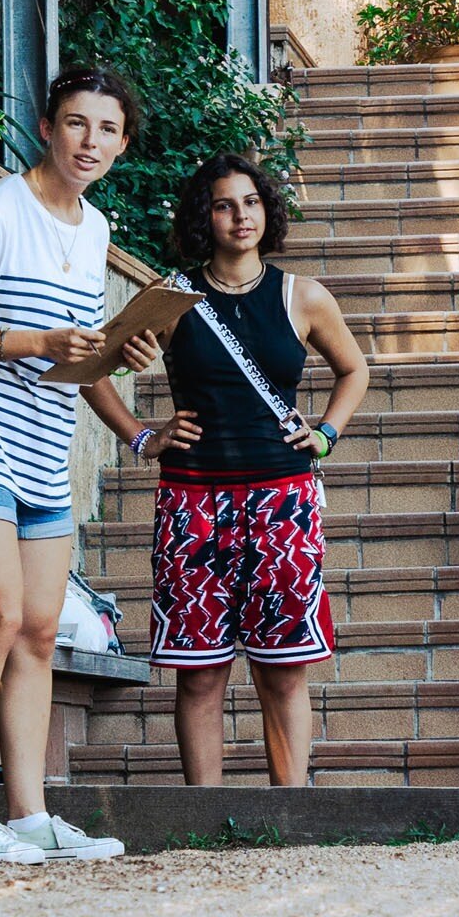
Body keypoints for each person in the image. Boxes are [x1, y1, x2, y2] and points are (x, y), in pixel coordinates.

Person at [0, 67, 159, 865]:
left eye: (108, 130)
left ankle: (26, 815)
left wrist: (123, 368)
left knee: (41, 629)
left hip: (41, 444)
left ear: (123, 143)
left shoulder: (94, 230)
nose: (92, 142)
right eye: (77, 124)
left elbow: (76, 361)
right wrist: (36, 342)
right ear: (48, 127)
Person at [113, 154, 371, 784]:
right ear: (206, 216)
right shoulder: (169, 299)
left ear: (267, 209)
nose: (240, 216)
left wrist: (327, 432)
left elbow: (354, 369)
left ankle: (291, 813)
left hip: (284, 503)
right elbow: (94, 368)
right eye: (224, 204)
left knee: (284, 670)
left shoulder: (302, 295)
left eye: (251, 202)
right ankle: (205, 821)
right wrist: (143, 435)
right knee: (199, 674)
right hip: (193, 501)